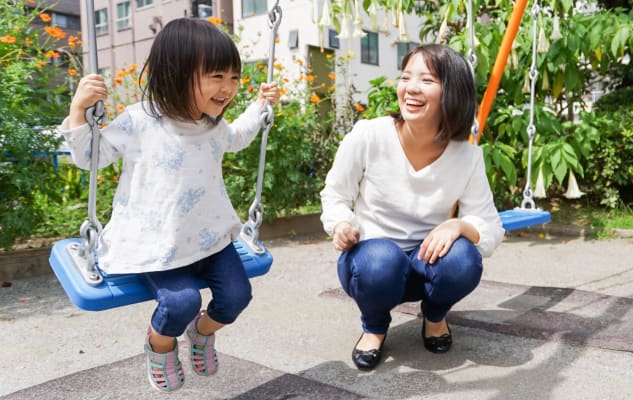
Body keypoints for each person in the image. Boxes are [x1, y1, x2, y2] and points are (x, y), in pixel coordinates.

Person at [58, 18, 280, 392]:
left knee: (237, 296)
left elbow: (240, 135)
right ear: (177, 73)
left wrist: (260, 105)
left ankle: (201, 333)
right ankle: (160, 348)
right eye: (216, 76)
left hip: (210, 237)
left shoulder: (212, 126)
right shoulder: (139, 121)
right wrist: (79, 110)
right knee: (180, 303)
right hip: (156, 241)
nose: (228, 88)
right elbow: (90, 157)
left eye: (234, 78)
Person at [320, 44, 505, 371]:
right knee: (380, 260)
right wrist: (340, 225)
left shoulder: (467, 155)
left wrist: (457, 226)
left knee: (464, 258)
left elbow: (490, 226)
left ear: (453, 93)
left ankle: (434, 317)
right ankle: (374, 326)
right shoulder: (369, 135)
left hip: (426, 264)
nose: (411, 88)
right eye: (406, 77)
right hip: (371, 266)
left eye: (427, 80)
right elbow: (335, 195)